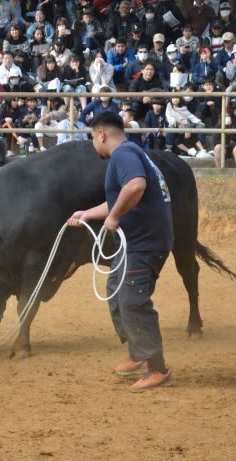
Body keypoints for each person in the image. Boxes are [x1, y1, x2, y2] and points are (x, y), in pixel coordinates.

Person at [66, 111, 175, 392]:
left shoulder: (123, 156)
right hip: (143, 240)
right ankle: (139, 352)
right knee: (116, 290)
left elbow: (136, 186)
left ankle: (158, 368)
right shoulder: (131, 152)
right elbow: (121, 198)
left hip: (144, 243)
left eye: (92, 137)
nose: (93, 144)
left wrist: (113, 218)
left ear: (101, 134)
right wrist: (88, 214)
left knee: (132, 300)